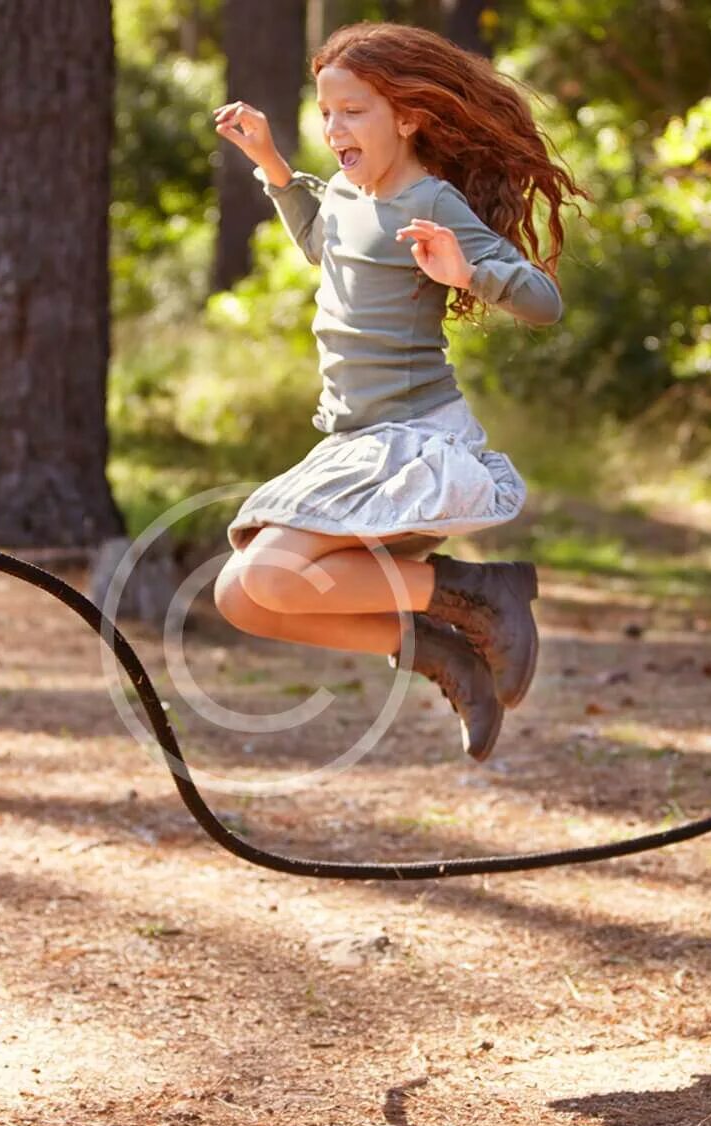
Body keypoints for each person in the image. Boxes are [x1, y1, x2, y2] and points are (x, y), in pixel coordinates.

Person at [209, 22, 581, 761]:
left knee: (272, 574)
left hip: (409, 439)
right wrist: (275, 169)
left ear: (407, 117)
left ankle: (480, 594)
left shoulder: (432, 202)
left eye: (353, 111)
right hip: (352, 440)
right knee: (240, 597)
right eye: (326, 113)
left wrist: (466, 273)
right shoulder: (347, 189)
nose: (334, 127)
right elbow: (326, 242)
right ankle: (440, 652)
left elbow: (544, 301)